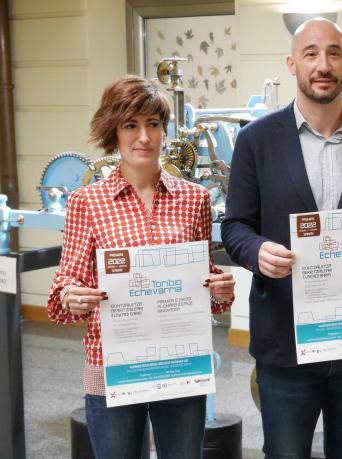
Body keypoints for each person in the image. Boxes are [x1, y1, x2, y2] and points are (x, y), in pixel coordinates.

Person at [221, 18, 342, 458]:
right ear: (292, 64)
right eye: (311, 54)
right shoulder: (255, 142)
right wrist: (257, 252)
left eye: (332, 54)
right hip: (285, 340)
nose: (322, 65)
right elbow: (234, 227)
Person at [46, 76, 235, 459]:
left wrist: (220, 290)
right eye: (131, 125)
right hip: (113, 367)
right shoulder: (87, 202)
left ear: (165, 130)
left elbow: (206, 287)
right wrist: (72, 295)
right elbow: (62, 289)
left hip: (180, 363)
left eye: (153, 124)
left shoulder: (194, 200)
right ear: (112, 132)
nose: (144, 137)